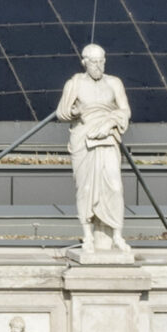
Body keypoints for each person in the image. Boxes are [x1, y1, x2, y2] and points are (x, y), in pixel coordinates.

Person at [55, 45, 132, 259]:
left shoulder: (114, 83)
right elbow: (61, 112)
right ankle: (87, 235)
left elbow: (125, 109)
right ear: (84, 63)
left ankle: (117, 235)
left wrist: (110, 122)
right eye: (93, 62)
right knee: (86, 188)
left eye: (101, 61)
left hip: (107, 138)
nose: (98, 66)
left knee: (115, 186)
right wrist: (75, 111)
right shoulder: (75, 84)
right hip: (84, 139)